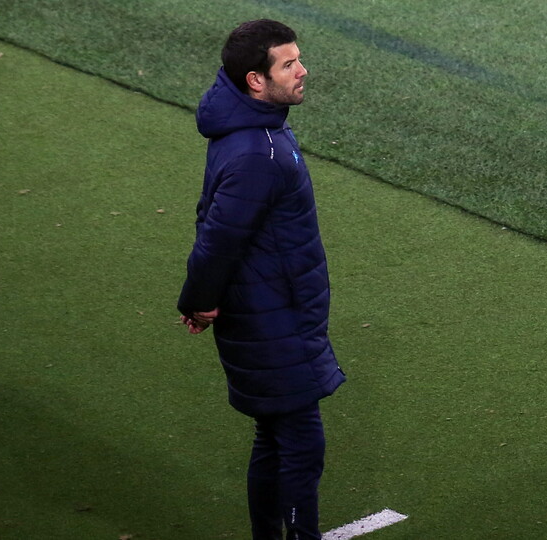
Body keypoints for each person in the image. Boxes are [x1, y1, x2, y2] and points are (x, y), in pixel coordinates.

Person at [177, 19, 346, 540]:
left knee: (274, 439)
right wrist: (199, 302)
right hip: (272, 318)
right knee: (299, 446)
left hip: (271, 309)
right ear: (256, 79)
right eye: (289, 64)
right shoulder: (259, 152)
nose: (302, 71)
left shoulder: (257, 127)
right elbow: (217, 238)